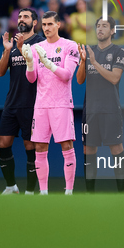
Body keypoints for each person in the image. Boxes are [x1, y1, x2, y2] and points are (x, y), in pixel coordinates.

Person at [22, 11, 80, 195]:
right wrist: (30, 63)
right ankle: (44, 192)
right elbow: (31, 79)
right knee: (39, 147)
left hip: (61, 103)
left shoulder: (70, 46)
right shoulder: (37, 47)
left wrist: (48, 63)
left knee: (66, 145)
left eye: (50, 24)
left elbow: (67, 75)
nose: (46, 28)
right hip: (41, 105)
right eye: (44, 25)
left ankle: (69, 191)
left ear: (58, 25)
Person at [0, 8, 44, 195]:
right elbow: (0, 71)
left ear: (34, 22)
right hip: (12, 102)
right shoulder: (12, 43)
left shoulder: (40, 42)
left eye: (26, 17)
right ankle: (11, 186)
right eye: (20, 17)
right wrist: (7, 50)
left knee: (30, 146)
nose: (21, 19)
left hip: (32, 103)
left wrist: (26, 52)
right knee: (3, 143)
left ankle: (31, 191)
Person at [76, 17, 124, 193]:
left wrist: (95, 62)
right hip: (90, 110)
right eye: (98, 26)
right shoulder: (89, 51)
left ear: (112, 30)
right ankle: (90, 194)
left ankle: (121, 194)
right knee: (89, 149)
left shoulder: (119, 51)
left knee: (116, 148)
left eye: (104, 26)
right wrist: (83, 61)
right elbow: (80, 80)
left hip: (110, 109)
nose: (100, 29)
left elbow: (114, 78)